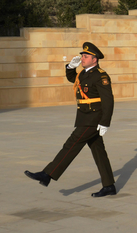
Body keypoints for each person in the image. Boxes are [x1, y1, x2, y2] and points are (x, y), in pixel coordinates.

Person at [24, 42, 116, 197]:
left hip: (93, 119)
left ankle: (48, 174)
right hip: (84, 117)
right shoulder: (84, 73)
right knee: (98, 151)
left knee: (72, 143)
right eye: (82, 55)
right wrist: (70, 68)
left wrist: (105, 122)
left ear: (95, 59)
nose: (82, 58)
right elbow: (74, 79)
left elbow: (108, 100)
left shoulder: (101, 76)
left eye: (86, 56)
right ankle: (109, 186)